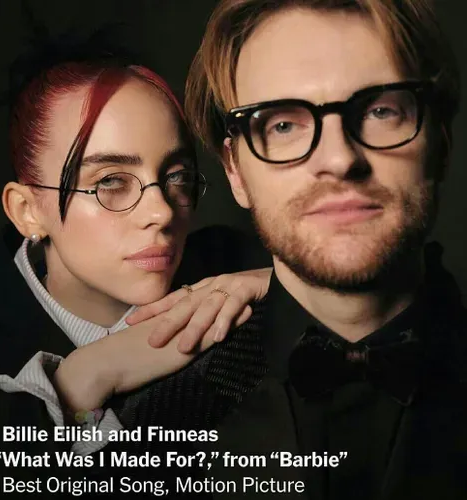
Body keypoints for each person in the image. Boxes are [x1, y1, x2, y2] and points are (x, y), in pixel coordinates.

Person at [182, 0, 467, 498]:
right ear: (235, 172)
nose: (338, 159)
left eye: (381, 110)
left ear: (440, 140)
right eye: (282, 124)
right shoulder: (146, 411)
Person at [0, 36, 272, 498]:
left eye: (175, 176)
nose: (164, 212)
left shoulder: (237, 264)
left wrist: (281, 284)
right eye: (110, 181)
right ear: (27, 210)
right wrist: (79, 382)